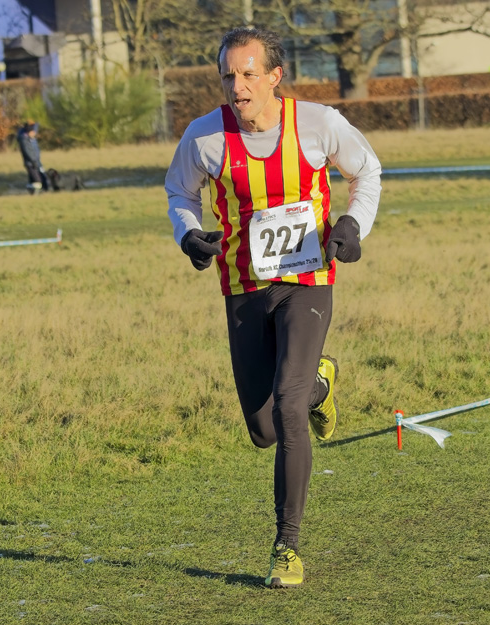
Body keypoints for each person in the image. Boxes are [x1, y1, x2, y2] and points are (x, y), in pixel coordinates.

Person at [165, 27, 381, 589]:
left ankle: (287, 546)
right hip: (243, 287)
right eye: (228, 75)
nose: (237, 86)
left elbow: (367, 171)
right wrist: (189, 234)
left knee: (287, 408)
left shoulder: (318, 123)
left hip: (307, 281)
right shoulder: (204, 136)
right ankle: (320, 384)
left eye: (248, 74)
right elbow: (179, 192)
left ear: (274, 77)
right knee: (263, 428)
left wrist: (353, 224)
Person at [18, 120, 49, 194]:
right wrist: (33, 161)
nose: (34, 133)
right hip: (31, 164)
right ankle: (33, 191)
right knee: (38, 180)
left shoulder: (32, 138)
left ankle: (38, 191)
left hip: (37, 162)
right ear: (29, 132)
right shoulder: (24, 140)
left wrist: (37, 121)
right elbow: (28, 152)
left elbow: (35, 126)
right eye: (33, 132)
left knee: (41, 178)